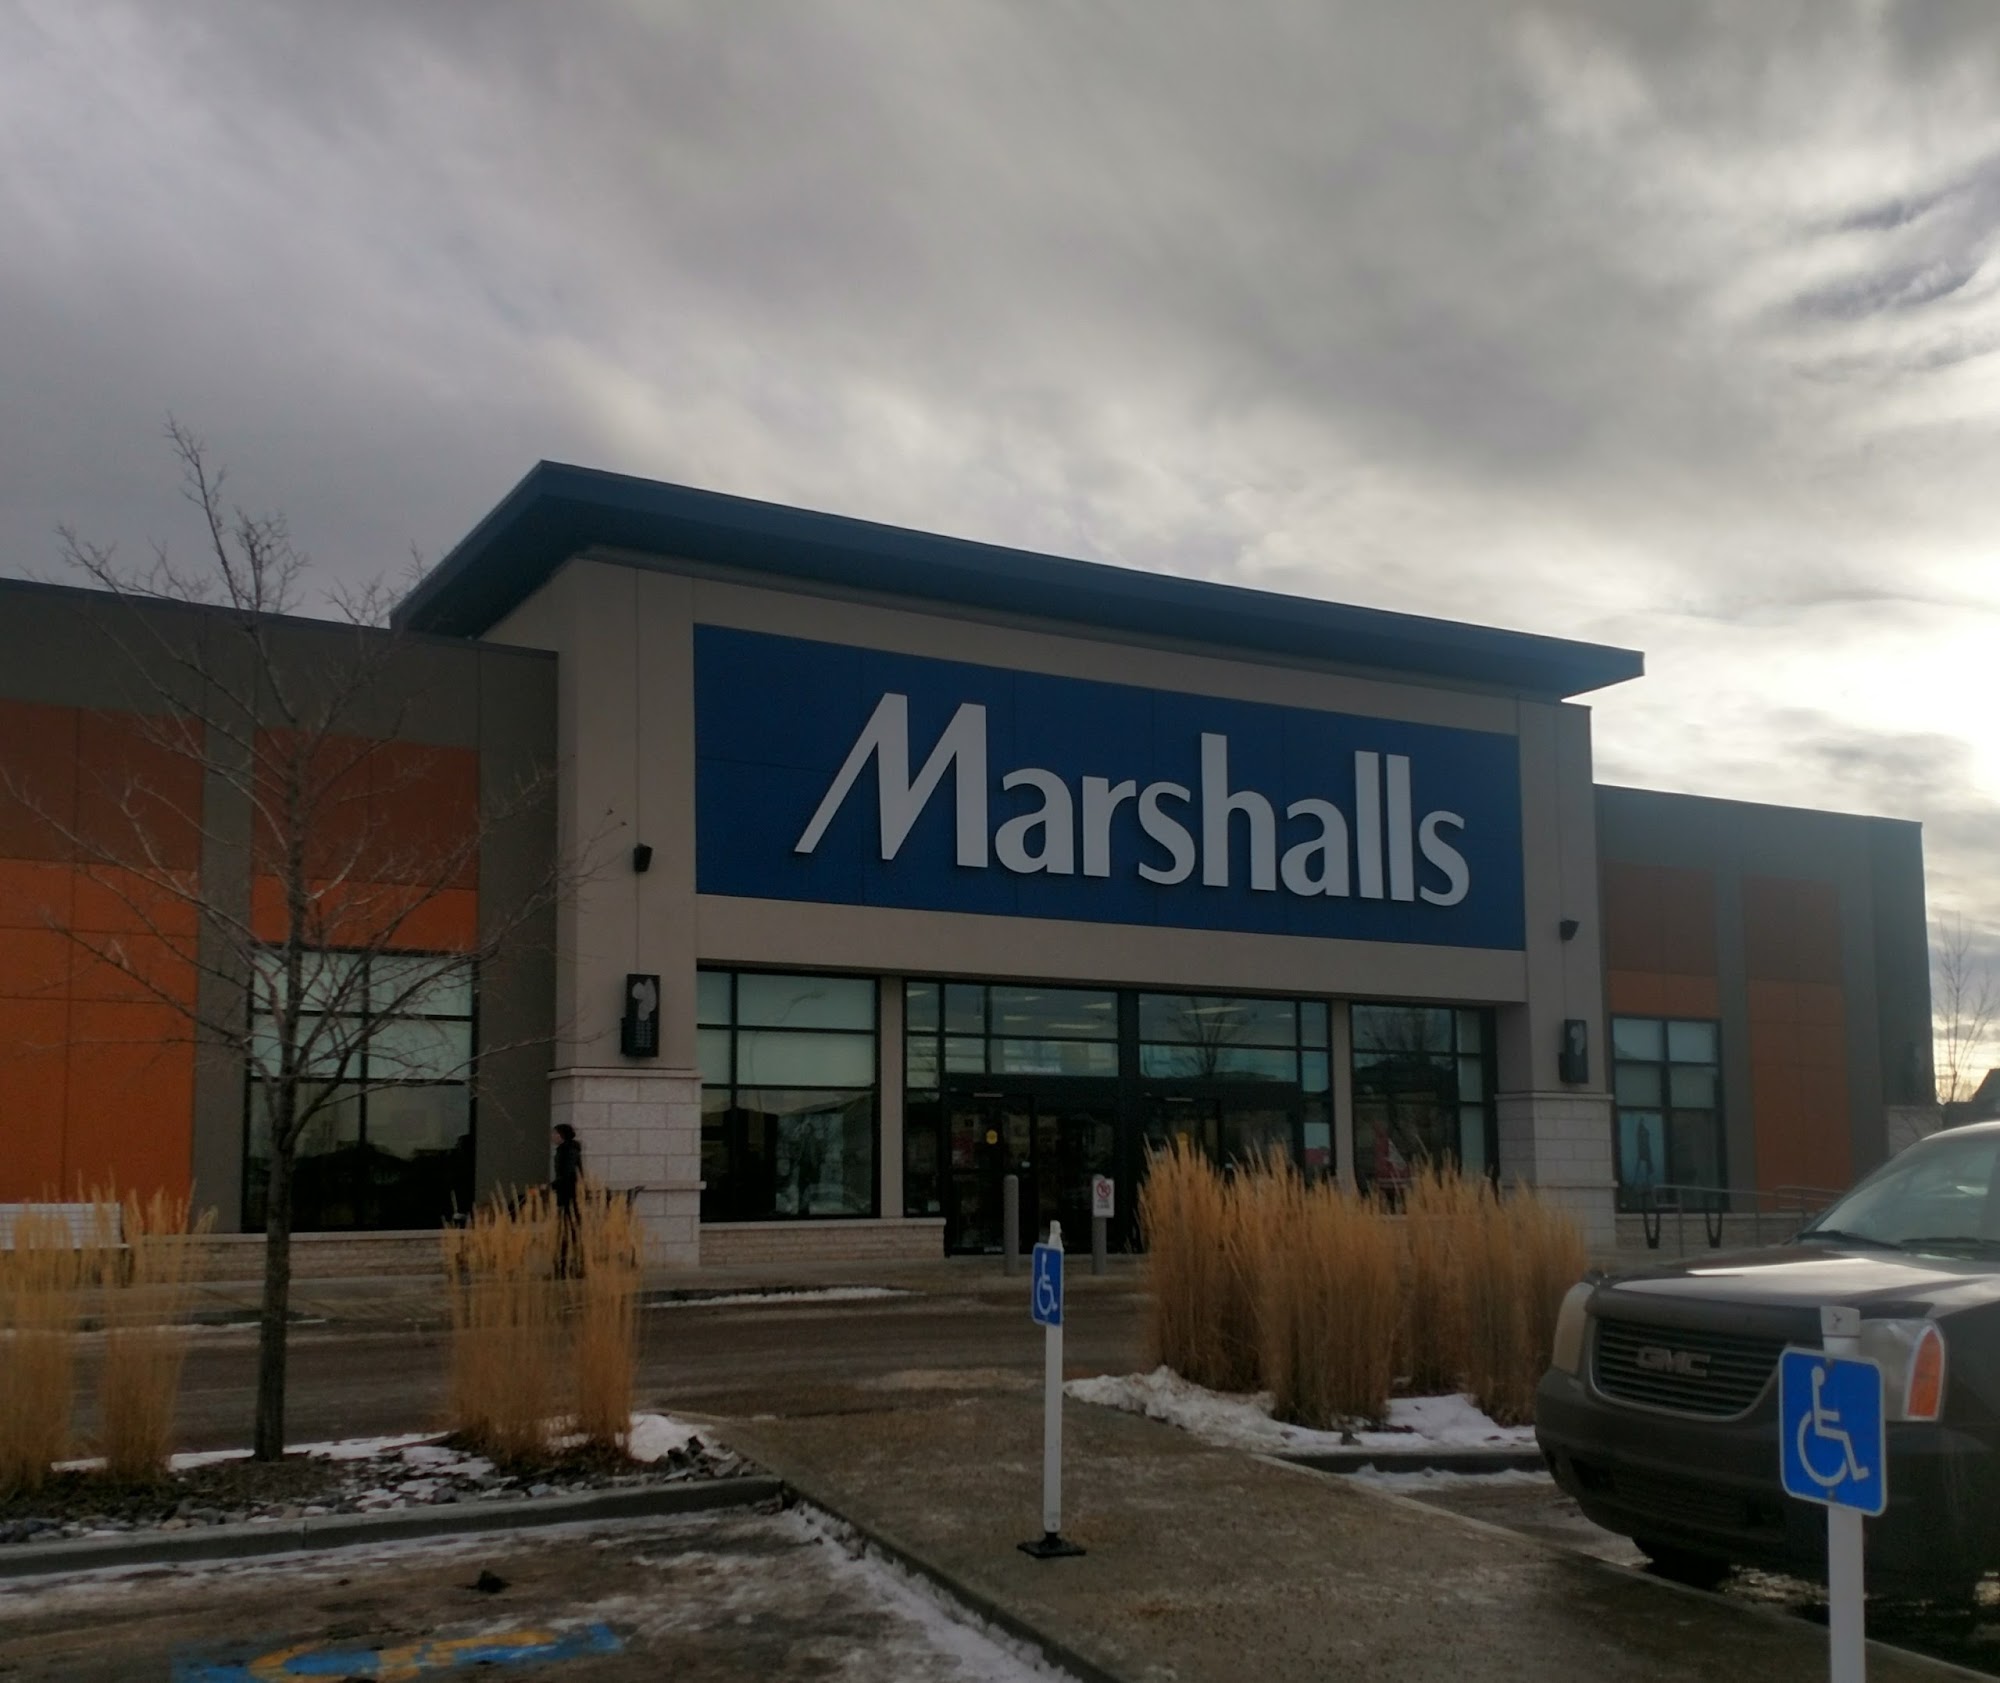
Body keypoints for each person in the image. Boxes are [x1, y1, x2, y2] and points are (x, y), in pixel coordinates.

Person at [552, 1122, 583, 1277]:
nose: (553, 1136)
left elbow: (568, 1174)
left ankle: (569, 1266)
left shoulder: (569, 1151)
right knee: (566, 1231)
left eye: (555, 1133)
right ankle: (564, 1266)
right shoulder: (564, 1151)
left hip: (570, 1197)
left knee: (569, 1232)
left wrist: (552, 1185)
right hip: (565, 1196)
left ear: (562, 1135)